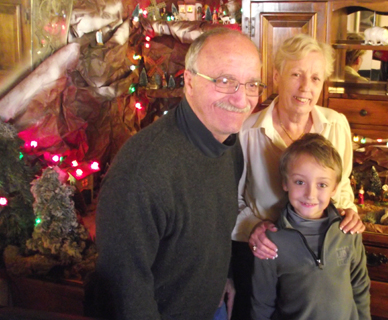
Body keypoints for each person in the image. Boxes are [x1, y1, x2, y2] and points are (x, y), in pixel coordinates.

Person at [93, 28, 265, 320]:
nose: (241, 99)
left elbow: (215, 227)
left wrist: (225, 277)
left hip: (215, 306)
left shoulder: (227, 144)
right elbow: (125, 287)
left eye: (251, 85)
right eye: (225, 81)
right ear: (189, 82)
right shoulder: (143, 170)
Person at [231, 33, 364, 319]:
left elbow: (342, 188)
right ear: (277, 75)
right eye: (296, 74)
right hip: (262, 255)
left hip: (317, 261)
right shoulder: (246, 132)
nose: (306, 87)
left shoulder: (336, 125)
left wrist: (349, 210)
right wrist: (253, 227)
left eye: (316, 78)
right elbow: (230, 200)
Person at [251, 133, 371, 320]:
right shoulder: (270, 241)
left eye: (322, 184)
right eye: (300, 182)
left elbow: (360, 287)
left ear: (334, 188)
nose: (310, 194)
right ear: (285, 183)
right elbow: (262, 303)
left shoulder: (349, 230)